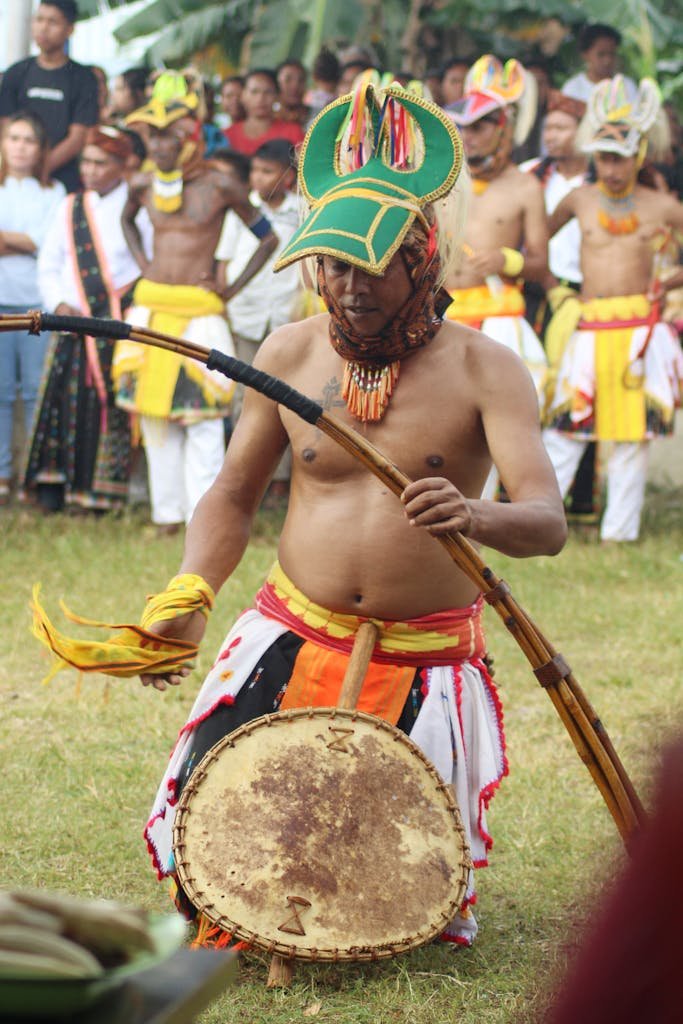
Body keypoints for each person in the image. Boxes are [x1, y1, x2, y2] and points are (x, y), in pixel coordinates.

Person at [128, 81, 566, 948]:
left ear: (423, 260)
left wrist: (475, 515)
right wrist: (189, 591)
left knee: (388, 898)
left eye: (371, 267)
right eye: (330, 265)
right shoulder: (289, 351)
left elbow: (546, 520)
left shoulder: (487, 368)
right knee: (213, 872)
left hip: (423, 659)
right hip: (290, 634)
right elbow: (231, 494)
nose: (348, 287)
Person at [114, 89, 278, 533]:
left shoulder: (220, 184)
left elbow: (268, 238)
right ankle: (166, 517)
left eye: (167, 136)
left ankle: (200, 518)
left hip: (201, 310)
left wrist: (231, 288)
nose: (159, 146)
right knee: (153, 415)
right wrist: (145, 264)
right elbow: (126, 220)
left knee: (204, 415)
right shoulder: (142, 184)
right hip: (153, 304)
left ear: (188, 137)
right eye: (152, 137)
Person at [543, 76, 683, 543]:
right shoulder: (578, 199)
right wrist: (553, 287)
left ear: (638, 156)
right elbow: (534, 236)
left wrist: (671, 281)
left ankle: (619, 535)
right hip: (589, 324)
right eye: (603, 157)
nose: (611, 167)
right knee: (565, 429)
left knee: (631, 435)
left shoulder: (663, 206)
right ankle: (540, 520)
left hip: (640, 328)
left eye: (619, 158)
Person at [24, 126, 148, 513]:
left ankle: (102, 496)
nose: (90, 170)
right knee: (62, 403)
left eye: (100, 162)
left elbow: (147, 263)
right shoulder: (70, 206)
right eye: (86, 162)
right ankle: (54, 491)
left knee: (108, 404)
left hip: (115, 324)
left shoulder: (138, 206)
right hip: (70, 324)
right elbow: (50, 264)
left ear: (123, 164)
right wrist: (59, 303)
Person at [446, 55, 549, 495]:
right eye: (464, 127)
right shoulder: (442, 181)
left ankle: (484, 507)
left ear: (503, 127)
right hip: (445, 312)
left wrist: (506, 261)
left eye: (481, 126)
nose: (470, 136)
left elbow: (543, 265)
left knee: (499, 416)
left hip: (500, 315)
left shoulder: (525, 186)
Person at [215, 138, 302, 504]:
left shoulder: (303, 210)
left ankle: (280, 479)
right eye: (254, 170)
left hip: (285, 314)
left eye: (267, 171)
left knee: (284, 397)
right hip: (246, 314)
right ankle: (244, 480)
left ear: (287, 178)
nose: (257, 178)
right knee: (243, 398)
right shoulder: (240, 210)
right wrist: (224, 297)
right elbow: (223, 259)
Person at [0, 112, 65, 506]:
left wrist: (11, 241)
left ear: (41, 149)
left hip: (37, 305)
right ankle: (3, 473)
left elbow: (47, 242)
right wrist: (24, 242)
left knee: (35, 394)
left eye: (29, 140)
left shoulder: (53, 192)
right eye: (14, 138)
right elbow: (32, 241)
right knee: (1, 393)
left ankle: (32, 476)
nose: (21, 146)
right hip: (1, 300)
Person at [0, 0, 98, 193]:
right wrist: (20, 167)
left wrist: (41, 169)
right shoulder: (16, 73)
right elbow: (5, 125)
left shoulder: (83, 78)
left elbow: (78, 136)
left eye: (53, 22)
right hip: (15, 178)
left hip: (62, 180)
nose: (43, 28)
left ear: (69, 29)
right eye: (39, 19)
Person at [223, 69, 304, 157]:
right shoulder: (226, 136)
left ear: (277, 96)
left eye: (268, 92)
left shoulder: (293, 132)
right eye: (254, 92)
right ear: (243, 95)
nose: (260, 98)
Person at [562, 23, 637, 105]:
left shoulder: (627, 85)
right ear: (585, 55)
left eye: (612, 54)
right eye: (601, 54)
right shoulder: (572, 89)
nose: (607, 61)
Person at [275, 59, 309, 126]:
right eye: (288, 80)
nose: (295, 86)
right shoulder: (266, 118)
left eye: (301, 80)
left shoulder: (317, 118)